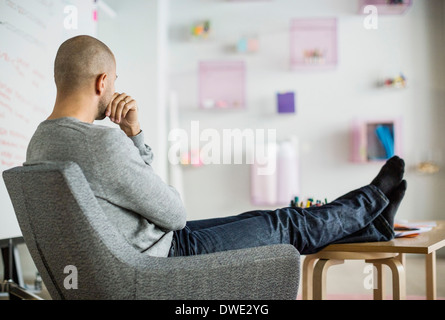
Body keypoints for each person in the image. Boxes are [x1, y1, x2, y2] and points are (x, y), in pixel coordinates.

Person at [25, 35, 408, 258]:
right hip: (166, 256)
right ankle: (372, 199)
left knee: (258, 216)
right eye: (115, 81)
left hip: (138, 251)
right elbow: (174, 212)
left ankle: (373, 229)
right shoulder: (102, 144)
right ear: (102, 82)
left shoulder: (39, 144)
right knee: (285, 222)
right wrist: (134, 136)